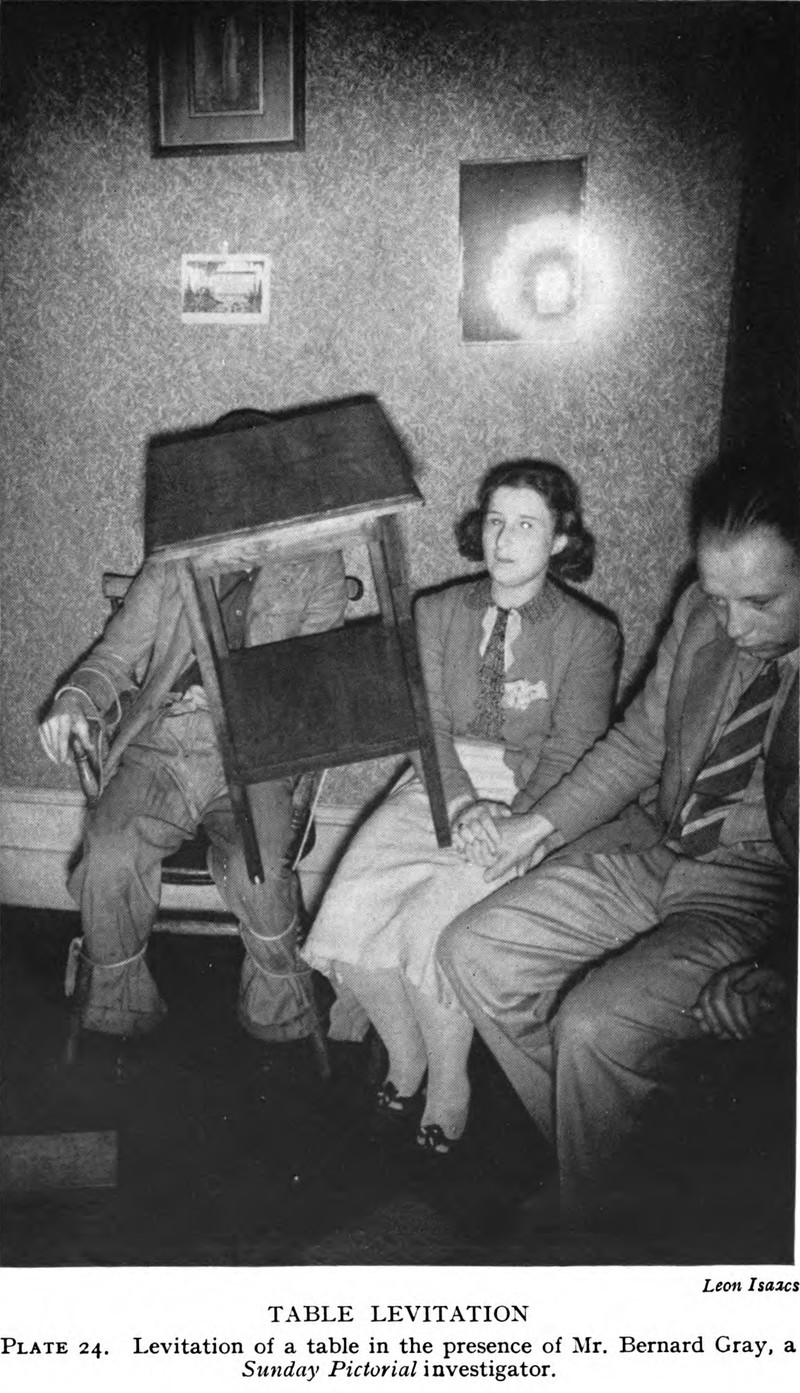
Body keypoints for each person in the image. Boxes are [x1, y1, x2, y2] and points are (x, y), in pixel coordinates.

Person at [437, 448, 799, 1223]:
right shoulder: (704, 613)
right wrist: (533, 827)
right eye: (718, 597)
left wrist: (784, 976)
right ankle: (606, 1165)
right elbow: (638, 744)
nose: (734, 626)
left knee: (594, 1024)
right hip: (657, 847)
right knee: (474, 949)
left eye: (761, 601)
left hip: (760, 893)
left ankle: (600, 1206)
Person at [301, 459, 620, 1153]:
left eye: (527, 525)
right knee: (349, 910)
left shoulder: (588, 633)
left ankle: (450, 1081)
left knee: (431, 927)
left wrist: (514, 821)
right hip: (437, 781)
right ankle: (406, 1052)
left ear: (561, 539)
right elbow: (428, 727)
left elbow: (575, 749)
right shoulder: (436, 611)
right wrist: (462, 802)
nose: (504, 539)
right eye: (496, 521)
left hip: (530, 800)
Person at [39, 409, 347, 1044]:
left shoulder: (316, 566)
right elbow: (113, 658)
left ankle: (277, 1010)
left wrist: (248, 698)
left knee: (261, 873)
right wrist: (73, 698)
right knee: (110, 853)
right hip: (163, 746)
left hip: (255, 757)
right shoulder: (172, 561)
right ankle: (119, 1005)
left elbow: (315, 688)